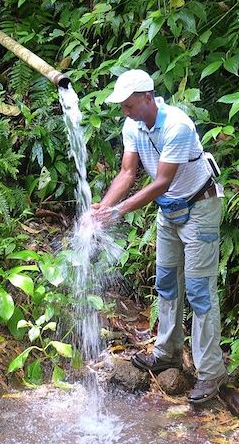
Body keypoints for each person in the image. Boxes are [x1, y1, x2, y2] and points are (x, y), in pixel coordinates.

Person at [91, 69, 228, 404]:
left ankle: (211, 373)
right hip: (169, 210)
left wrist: (118, 212)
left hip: (200, 206)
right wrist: (101, 211)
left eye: (128, 104)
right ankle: (167, 352)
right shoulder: (132, 125)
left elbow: (161, 182)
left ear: (148, 98)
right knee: (166, 282)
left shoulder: (177, 126)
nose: (124, 110)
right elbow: (127, 172)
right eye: (122, 105)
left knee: (199, 291)